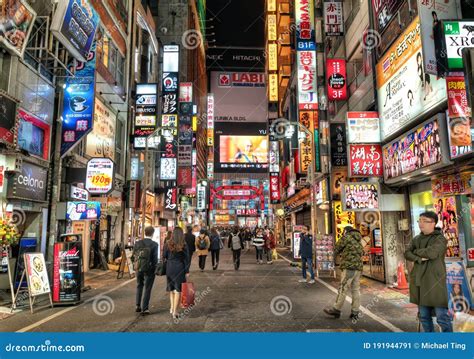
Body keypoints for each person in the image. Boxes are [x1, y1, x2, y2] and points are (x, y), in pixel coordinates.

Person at [405, 211, 452, 332]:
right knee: (424, 317)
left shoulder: (440, 239)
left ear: (433, 223)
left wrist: (416, 252)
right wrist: (419, 258)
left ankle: (451, 344)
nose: (421, 223)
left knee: (442, 317)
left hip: (435, 282)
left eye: (425, 221)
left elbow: (432, 253)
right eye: (420, 220)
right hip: (419, 281)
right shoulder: (416, 239)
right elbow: (406, 253)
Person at [324, 226, 363, 319]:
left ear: (346, 231)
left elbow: (336, 248)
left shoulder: (346, 237)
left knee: (343, 288)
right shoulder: (358, 240)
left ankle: (336, 309)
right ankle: (355, 312)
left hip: (349, 267)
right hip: (358, 268)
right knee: (356, 290)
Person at [163, 227, 190, 319]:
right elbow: (187, 259)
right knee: (178, 290)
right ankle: (175, 311)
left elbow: (164, 256)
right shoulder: (183, 244)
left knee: (171, 289)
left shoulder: (167, 244)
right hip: (179, 268)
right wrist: (187, 271)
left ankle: (171, 308)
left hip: (169, 268)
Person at [132, 226, 158, 315]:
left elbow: (133, 256)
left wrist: (135, 265)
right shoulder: (155, 244)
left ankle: (137, 305)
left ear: (144, 233)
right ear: (153, 234)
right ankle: (145, 308)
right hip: (150, 269)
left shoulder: (138, 243)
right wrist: (155, 268)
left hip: (139, 267)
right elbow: (155, 260)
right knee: (148, 287)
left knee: (139, 285)